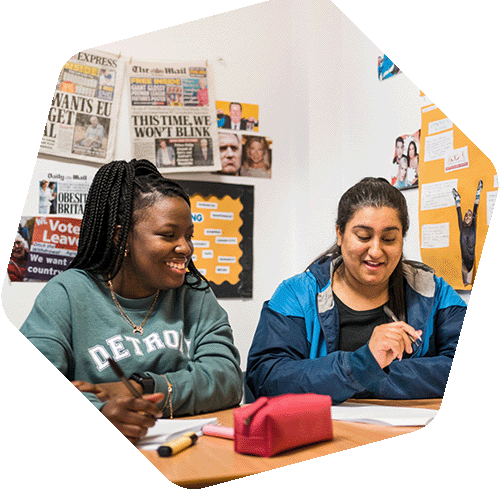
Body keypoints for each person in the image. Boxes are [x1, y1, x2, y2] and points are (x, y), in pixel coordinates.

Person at [20, 159, 243, 444]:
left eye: (189, 236)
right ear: (120, 236)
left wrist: (139, 387)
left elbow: (226, 380)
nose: (185, 248)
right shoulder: (67, 293)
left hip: (187, 452)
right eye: (168, 235)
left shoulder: (194, 293)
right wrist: (100, 412)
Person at [246, 177, 466, 404]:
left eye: (389, 239)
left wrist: (363, 375)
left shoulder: (433, 291)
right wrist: (362, 364)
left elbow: (475, 366)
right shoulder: (296, 294)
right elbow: (266, 378)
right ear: (339, 234)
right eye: (363, 236)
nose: (376, 251)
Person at [452, 180, 483, 285]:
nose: (468, 217)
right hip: (464, 262)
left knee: (471, 285)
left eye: (470, 215)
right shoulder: (462, 227)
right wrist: (457, 198)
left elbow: (475, 208)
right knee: (465, 284)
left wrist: (478, 191)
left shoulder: (473, 226)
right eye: (466, 215)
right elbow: (458, 212)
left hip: (472, 260)